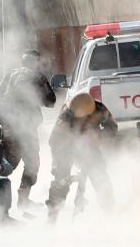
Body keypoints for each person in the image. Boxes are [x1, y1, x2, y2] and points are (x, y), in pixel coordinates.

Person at [0, 50, 57, 208]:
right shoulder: (37, 77)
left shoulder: (10, 75)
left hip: (8, 127)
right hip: (27, 128)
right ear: (35, 63)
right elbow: (51, 102)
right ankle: (22, 199)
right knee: (32, 162)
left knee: (9, 161)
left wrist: (4, 118)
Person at [46, 93, 118, 223]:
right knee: (61, 180)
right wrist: (57, 164)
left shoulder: (100, 109)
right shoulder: (67, 114)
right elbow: (53, 140)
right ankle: (52, 215)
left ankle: (110, 211)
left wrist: (98, 136)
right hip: (66, 148)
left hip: (89, 146)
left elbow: (113, 128)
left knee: (100, 175)